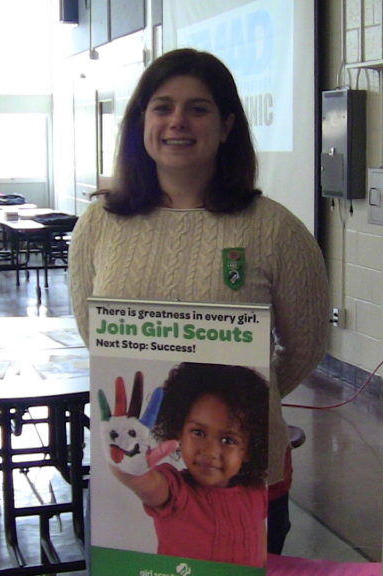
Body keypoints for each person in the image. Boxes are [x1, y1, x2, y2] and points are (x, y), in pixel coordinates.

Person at [69, 48, 329, 554]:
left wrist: (243, 400)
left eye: (198, 108)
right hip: (135, 467)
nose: (177, 122)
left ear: (227, 124)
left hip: (245, 474)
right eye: (162, 107)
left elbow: (305, 346)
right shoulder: (98, 225)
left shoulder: (274, 228)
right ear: (141, 121)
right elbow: (93, 332)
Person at [106, 363, 270, 566]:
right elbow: (146, 483)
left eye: (228, 440)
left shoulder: (256, 492)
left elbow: (260, 550)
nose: (209, 451)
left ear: (250, 449)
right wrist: (128, 464)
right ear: (178, 432)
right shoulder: (175, 491)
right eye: (198, 433)